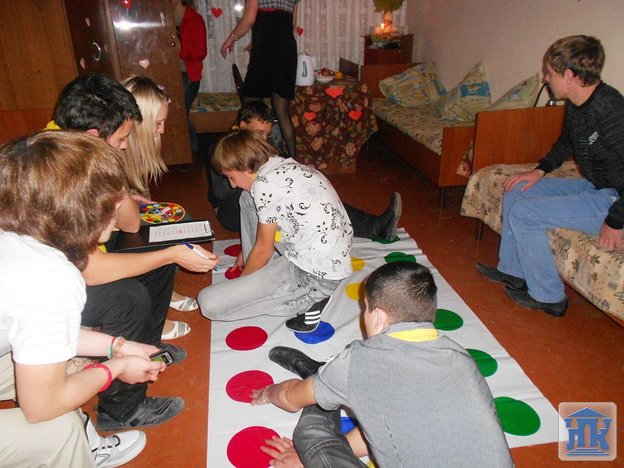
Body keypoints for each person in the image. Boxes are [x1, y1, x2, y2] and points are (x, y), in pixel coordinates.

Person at [52, 73, 220, 430]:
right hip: (53, 288)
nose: (126, 147)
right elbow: (91, 271)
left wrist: (124, 194)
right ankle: (120, 410)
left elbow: (129, 224)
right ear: (94, 136)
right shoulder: (65, 172)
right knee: (128, 297)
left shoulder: (72, 141)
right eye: (121, 139)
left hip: (76, 263)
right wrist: (172, 254)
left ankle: (145, 347)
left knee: (157, 241)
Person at [0, 131, 168, 467]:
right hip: (42, 403)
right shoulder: (50, 277)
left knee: (63, 366)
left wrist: (117, 346)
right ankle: (75, 449)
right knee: (58, 428)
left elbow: (39, 329)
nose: (120, 205)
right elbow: (41, 406)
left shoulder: (19, 235)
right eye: (112, 199)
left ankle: (85, 442)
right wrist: (117, 368)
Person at [251, 262, 513, 467]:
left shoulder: (359, 360)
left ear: (377, 316)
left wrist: (268, 393)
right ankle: (324, 380)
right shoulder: (461, 357)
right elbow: (392, 427)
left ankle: (317, 375)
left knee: (309, 434)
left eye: (364, 308)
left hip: (338, 380)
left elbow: (290, 398)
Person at [476, 35, 624, 317]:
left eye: (550, 73)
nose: (545, 78)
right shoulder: (577, 102)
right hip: (597, 187)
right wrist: (539, 170)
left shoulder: (611, 110)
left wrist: (616, 222)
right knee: (516, 188)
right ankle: (514, 272)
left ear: (569, 75)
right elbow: (566, 142)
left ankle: (549, 296)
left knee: (525, 214)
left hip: (616, 201)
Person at [198, 129, 352, 332]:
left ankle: (310, 301)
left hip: (314, 277)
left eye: (231, 177)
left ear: (245, 167)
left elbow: (264, 250)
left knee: (208, 303)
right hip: (329, 256)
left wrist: (244, 287)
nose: (232, 185)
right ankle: (265, 275)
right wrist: (251, 252)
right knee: (246, 198)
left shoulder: (264, 186)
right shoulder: (281, 165)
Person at [208, 101, 402, 239]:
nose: (264, 138)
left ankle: (374, 226)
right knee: (280, 199)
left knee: (311, 195)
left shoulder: (261, 144)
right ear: (243, 125)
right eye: (259, 132)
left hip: (258, 198)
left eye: (267, 133)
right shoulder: (222, 148)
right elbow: (224, 193)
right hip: (232, 210)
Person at [122, 75, 197, 339]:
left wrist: (132, 198)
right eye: (157, 123)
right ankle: (153, 319)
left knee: (175, 222)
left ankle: (163, 293)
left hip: (118, 221)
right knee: (157, 235)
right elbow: (128, 224)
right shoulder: (112, 151)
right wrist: (130, 202)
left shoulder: (131, 148)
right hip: (101, 242)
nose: (162, 130)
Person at [221, 0, 299, 158]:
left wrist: (231, 38)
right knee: (282, 112)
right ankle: (293, 160)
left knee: (248, 108)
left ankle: (242, 156)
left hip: (266, 50)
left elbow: (249, 18)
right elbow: (290, 24)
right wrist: (256, 40)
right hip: (287, 51)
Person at [172, 0, 207, 155]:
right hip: (169, 74)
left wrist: (178, 50)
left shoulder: (194, 19)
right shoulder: (163, 17)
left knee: (180, 114)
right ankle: (189, 152)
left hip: (188, 76)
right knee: (178, 114)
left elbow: (201, 52)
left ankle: (191, 153)